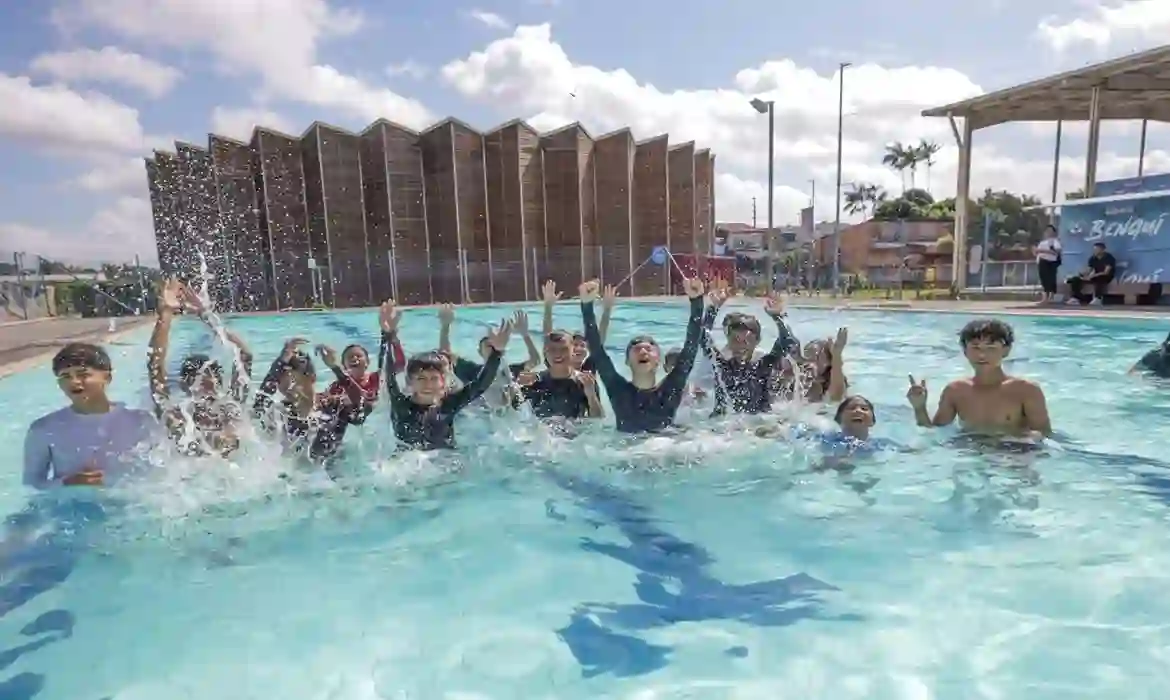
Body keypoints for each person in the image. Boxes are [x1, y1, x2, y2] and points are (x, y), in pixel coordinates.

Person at [578, 276, 705, 433]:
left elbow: (691, 346)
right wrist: (586, 305)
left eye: (649, 349)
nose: (643, 352)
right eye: (636, 349)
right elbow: (597, 350)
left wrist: (697, 301)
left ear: (658, 360)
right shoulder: (618, 390)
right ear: (627, 361)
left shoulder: (671, 389)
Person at [380, 300, 513, 450]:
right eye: (421, 378)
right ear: (410, 382)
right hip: (407, 460)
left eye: (434, 379)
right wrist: (387, 334)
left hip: (445, 459)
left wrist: (496, 353)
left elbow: (481, 384)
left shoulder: (448, 405)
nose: (427, 384)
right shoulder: (400, 405)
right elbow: (387, 371)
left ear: (443, 382)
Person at [23, 343, 157, 489]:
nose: (74, 382)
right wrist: (67, 482)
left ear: (107, 377)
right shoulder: (43, 429)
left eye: (83, 374)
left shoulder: (140, 421)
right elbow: (31, 485)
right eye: (65, 376)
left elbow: (157, 477)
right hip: (71, 502)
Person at [147, 279, 252, 456]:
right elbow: (155, 367)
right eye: (198, 378)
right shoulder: (179, 418)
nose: (208, 381)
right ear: (186, 386)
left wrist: (204, 313)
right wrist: (165, 314)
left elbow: (244, 355)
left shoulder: (232, 409)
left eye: (211, 375)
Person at [907, 318, 1051, 437]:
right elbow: (934, 434)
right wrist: (919, 408)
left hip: (1011, 453)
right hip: (969, 452)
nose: (982, 355)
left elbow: (1044, 436)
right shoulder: (955, 391)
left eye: (991, 348)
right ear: (965, 351)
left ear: (1006, 351)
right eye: (975, 348)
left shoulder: (1026, 390)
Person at [251, 338, 366, 463]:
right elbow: (258, 407)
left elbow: (360, 405)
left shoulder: (332, 406)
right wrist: (281, 361)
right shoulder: (279, 414)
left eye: (294, 381)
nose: (287, 388)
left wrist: (335, 368)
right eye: (281, 382)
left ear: (312, 378)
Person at [701, 284, 797, 415]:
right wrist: (713, 308)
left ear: (757, 341)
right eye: (736, 340)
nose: (741, 346)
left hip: (760, 422)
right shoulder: (721, 367)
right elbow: (703, 337)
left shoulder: (763, 367)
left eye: (747, 341)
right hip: (723, 424)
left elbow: (788, 341)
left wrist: (777, 317)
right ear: (728, 340)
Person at [439, 306, 540, 409]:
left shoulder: (509, 372)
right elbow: (446, 357)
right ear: (480, 351)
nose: (494, 348)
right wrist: (445, 326)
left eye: (496, 346)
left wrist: (525, 334)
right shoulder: (473, 371)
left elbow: (535, 360)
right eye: (489, 346)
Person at [516, 330, 604, 420]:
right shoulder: (534, 382)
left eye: (563, 349)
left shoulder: (585, 382)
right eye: (552, 349)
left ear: (573, 352)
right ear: (545, 353)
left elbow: (598, 419)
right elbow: (513, 411)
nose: (558, 354)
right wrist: (516, 388)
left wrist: (591, 396)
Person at [542, 279, 613, 372]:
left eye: (582, 345)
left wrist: (607, 309)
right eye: (575, 345)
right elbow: (548, 338)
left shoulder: (589, 368)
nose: (579, 348)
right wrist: (548, 306)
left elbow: (599, 342)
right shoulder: (556, 365)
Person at [1066, 242, 1115, 306]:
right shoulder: (1092, 258)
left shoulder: (1109, 258)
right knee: (1075, 279)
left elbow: (1106, 272)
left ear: (1102, 250)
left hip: (1106, 276)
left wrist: (1093, 276)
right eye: (1094, 249)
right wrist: (1082, 274)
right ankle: (1076, 298)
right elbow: (1089, 270)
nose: (1095, 251)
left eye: (1097, 249)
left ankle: (1098, 298)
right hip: (1093, 275)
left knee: (1099, 278)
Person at [1034, 224, 1062, 303]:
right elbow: (1037, 252)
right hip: (1042, 261)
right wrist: (1037, 251)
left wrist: (1043, 251)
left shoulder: (1055, 241)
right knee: (1044, 279)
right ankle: (1045, 297)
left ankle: (1051, 296)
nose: (1049, 232)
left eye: (1050, 231)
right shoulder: (1042, 242)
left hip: (1051, 262)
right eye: (1047, 231)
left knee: (1050, 279)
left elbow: (1057, 251)